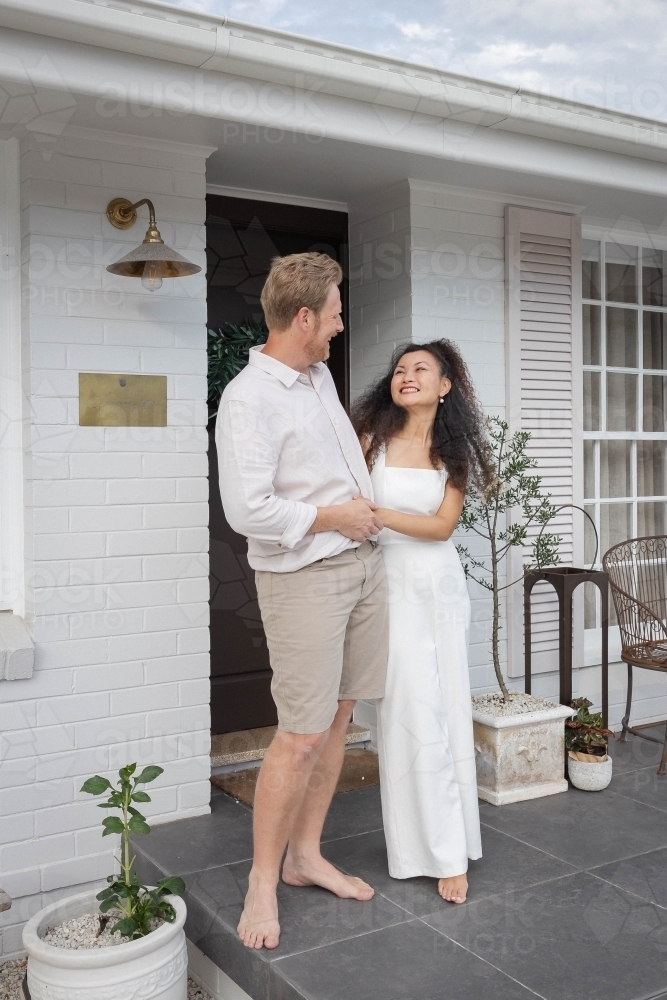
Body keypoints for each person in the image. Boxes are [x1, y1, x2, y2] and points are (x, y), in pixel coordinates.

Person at [216, 252, 388, 950]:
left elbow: (320, 468)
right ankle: (261, 880)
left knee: (340, 719)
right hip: (305, 579)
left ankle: (304, 856)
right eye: (338, 313)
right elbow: (246, 509)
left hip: (363, 567)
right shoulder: (247, 399)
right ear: (305, 316)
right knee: (301, 733)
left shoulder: (316, 377)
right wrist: (334, 517)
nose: (342, 327)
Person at [352, 340, 493, 904]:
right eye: (399, 369)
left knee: (443, 708)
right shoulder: (371, 441)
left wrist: (380, 515)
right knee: (407, 713)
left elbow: (442, 528)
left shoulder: (452, 450)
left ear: (445, 386)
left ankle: (450, 848)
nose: (406, 376)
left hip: (436, 586)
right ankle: (420, 847)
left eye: (420, 370)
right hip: (386, 586)